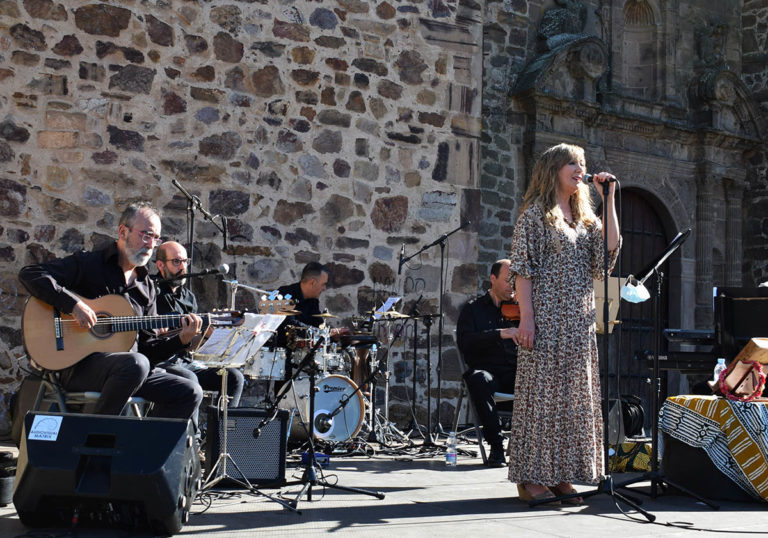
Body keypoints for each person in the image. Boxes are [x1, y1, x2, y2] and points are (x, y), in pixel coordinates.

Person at [507, 143, 621, 504]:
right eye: (572, 162)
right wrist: (527, 319)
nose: (579, 168)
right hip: (545, 318)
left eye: (582, 163)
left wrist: (609, 199)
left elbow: (607, 257)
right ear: (553, 168)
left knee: (572, 401)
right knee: (541, 400)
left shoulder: (585, 219)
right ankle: (532, 477)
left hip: (577, 322)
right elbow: (523, 270)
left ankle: (561, 475)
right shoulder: (534, 216)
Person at [18, 202, 202, 420]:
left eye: (156, 238)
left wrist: (181, 339)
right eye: (146, 235)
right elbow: (30, 274)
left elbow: (148, 349)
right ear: (123, 231)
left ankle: (146, 451)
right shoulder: (90, 264)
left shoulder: (147, 286)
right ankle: (95, 440)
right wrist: (73, 305)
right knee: (136, 364)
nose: (151, 244)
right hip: (78, 367)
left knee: (190, 391)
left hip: (130, 371)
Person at [152, 241, 245, 421]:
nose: (183, 267)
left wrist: (206, 335)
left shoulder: (188, 297)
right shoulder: (150, 290)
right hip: (159, 361)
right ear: (161, 265)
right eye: (177, 262)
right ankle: (190, 440)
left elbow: (191, 346)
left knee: (233, 377)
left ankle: (218, 437)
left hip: (183, 361)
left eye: (185, 261)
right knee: (189, 379)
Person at [456, 259, 519, 467]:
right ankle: (497, 446)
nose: (513, 285)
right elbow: (466, 342)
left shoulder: (521, 309)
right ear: (493, 279)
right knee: (477, 379)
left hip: (514, 373)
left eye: (515, 280)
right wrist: (500, 334)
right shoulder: (473, 310)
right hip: (488, 373)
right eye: (507, 280)